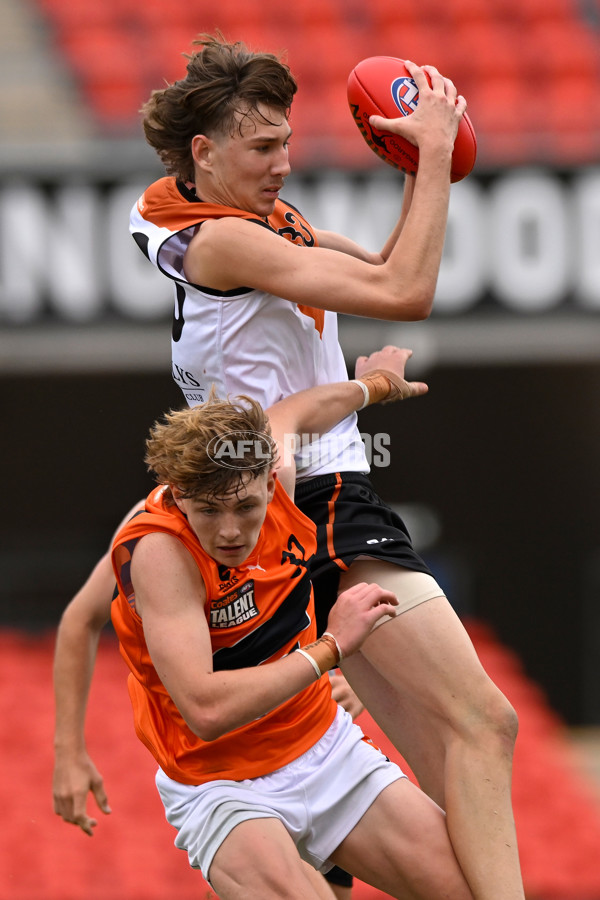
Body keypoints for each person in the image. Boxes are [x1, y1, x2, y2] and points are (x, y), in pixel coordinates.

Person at [126, 34, 524, 900]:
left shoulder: (263, 222)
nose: (284, 163)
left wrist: (418, 173)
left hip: (312, 499)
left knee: (460, 768)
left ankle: (333, 856)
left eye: (288, 143)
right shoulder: (225, 244)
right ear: (205, 151)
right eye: (264, 147)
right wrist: (429, 156)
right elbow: (405, 295)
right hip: (314, 497)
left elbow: (383, 267)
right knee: (484, 725)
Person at [52, 348, 415, 900]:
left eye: (244, 508)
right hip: (216, 775)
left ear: (271, 481)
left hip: (316, 744)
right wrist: (69, 754)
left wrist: (378, 384)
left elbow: (304, 406)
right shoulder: (154, 545)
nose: (228, 532)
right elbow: (81, 623)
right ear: (179, 495)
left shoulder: (277, 469)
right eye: (207, 511)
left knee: (470, 883)